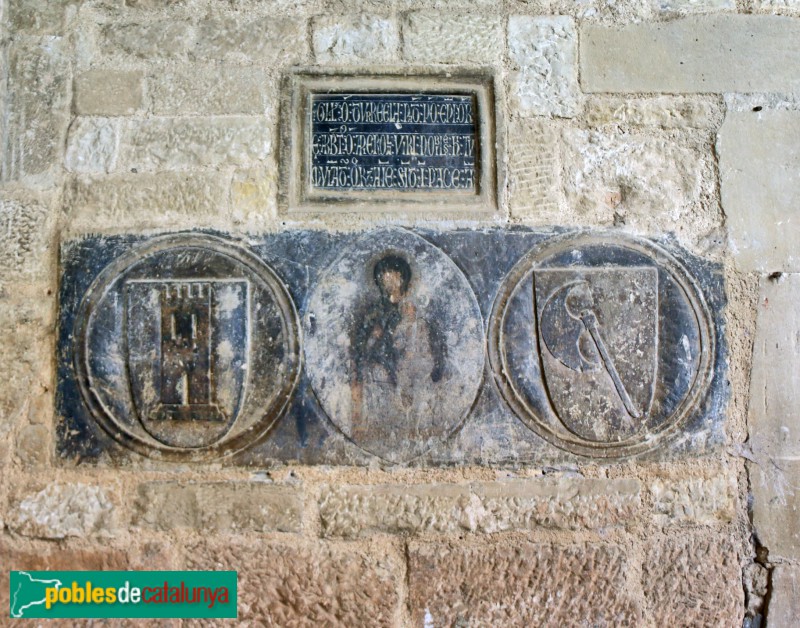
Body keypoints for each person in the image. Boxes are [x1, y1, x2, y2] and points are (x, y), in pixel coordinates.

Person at [349, 254, 447, 443]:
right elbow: (363, 346)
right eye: (384, 276)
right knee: (379, 376)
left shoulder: (414, 308)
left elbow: (430, 339)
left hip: (412, 365)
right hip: (383, 367)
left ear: (403, 278)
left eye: (393, 275)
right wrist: (374, 337)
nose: (389, 280)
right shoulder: (374, 311)